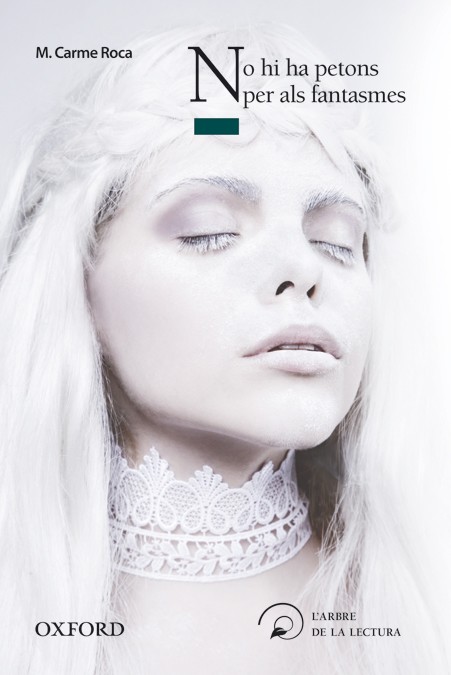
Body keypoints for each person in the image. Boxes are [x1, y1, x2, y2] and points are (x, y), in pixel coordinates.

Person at [0, 23, 448, 675]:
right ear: (78, 281)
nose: (302, 269)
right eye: (209, 231)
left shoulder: (424, 604)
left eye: (336, 240)